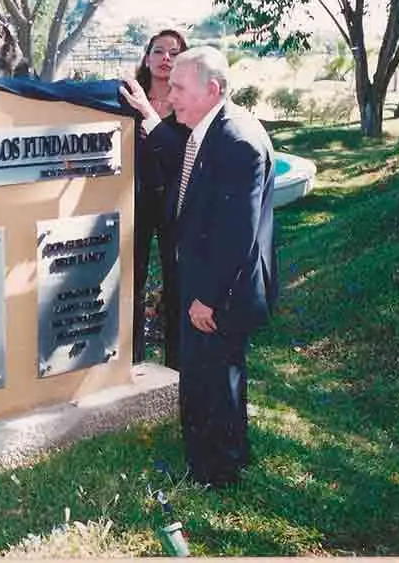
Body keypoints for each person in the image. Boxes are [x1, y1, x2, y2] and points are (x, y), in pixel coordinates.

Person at [138, 46, 277, 488]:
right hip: (206, 284)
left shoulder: (236, 140)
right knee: (212, 378)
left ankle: (215, 473)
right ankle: (224, 457)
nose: (171, 95)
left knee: (212, 382)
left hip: (221, 293)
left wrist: (207, 298)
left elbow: (237, 234)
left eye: (179, 87)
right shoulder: (209, 129)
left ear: (212, 89)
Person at [120, 29, 189, 368]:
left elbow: (180, 156)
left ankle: (175, 363)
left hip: (176, 204)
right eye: (158, 51)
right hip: (133, 201)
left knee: (178, 280)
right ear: (146, 57)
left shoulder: (189, 103)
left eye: (174, 53)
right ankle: (132, 361)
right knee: (131, 278)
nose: (165, 58)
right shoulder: (127, 98)